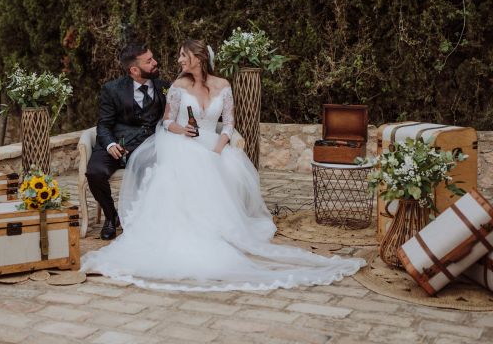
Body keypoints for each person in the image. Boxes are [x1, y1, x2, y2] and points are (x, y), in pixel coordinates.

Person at [82, 39, 365, 291]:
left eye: (183, 56)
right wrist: (181, 133)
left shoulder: (215, 86)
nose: (174, 61)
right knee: (176, 168)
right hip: (170, 142)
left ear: (198, 59)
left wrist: (218, 148)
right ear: (134, 69)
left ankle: (220, 227)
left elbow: (228, 123)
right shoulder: (169, 86)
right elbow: (164, 121)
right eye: (152, 60)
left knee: (225, 167)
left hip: (211, 142)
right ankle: (127, 219)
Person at [86, 43, 170, 240]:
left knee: (157, 170)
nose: (155, 63)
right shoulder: (112, 89)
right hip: (116, 144)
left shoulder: (165, 87)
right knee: (94, 172)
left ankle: (145, 218)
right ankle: (111, 216)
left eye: (153, 58)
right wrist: (110, 144)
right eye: (149, 61)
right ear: (134, 70)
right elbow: (104, 124)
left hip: (147, 147)